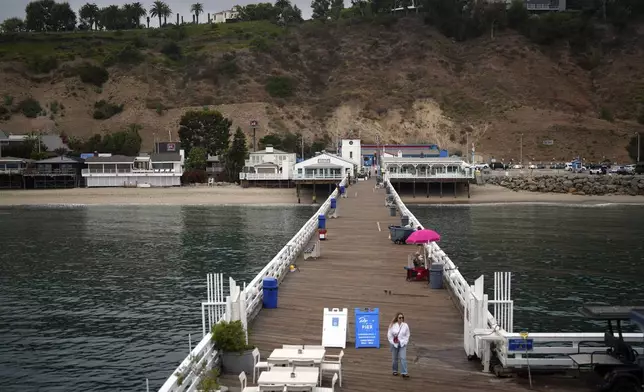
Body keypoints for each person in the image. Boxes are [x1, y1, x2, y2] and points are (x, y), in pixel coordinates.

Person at [387, 312, 410, 378]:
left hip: (402, 343)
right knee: (394, 358)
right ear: (397, 318)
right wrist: (392, 342)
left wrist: (405, 342)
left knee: (403, 358)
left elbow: (407, 334)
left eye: (402, 318)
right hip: (394, 344)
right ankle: (395, 371)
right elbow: (389, 335)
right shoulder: (392, 325)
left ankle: (404, 372)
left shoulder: (405, 325)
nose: (401, 319)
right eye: (400, 317)